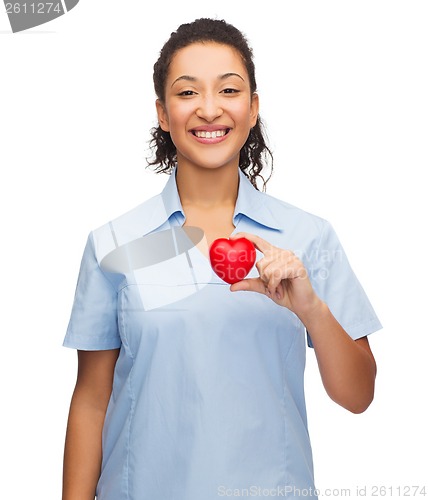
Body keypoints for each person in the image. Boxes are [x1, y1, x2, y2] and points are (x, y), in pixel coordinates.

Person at [62, 18, 382, 500]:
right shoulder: (115, 243)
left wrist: (311, 308)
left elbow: (358, 397)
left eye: (228, 90)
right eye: (187, 93)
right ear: (163, 114)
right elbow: (90, 401)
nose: (209, 110)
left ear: (253, 109)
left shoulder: (308, 237)